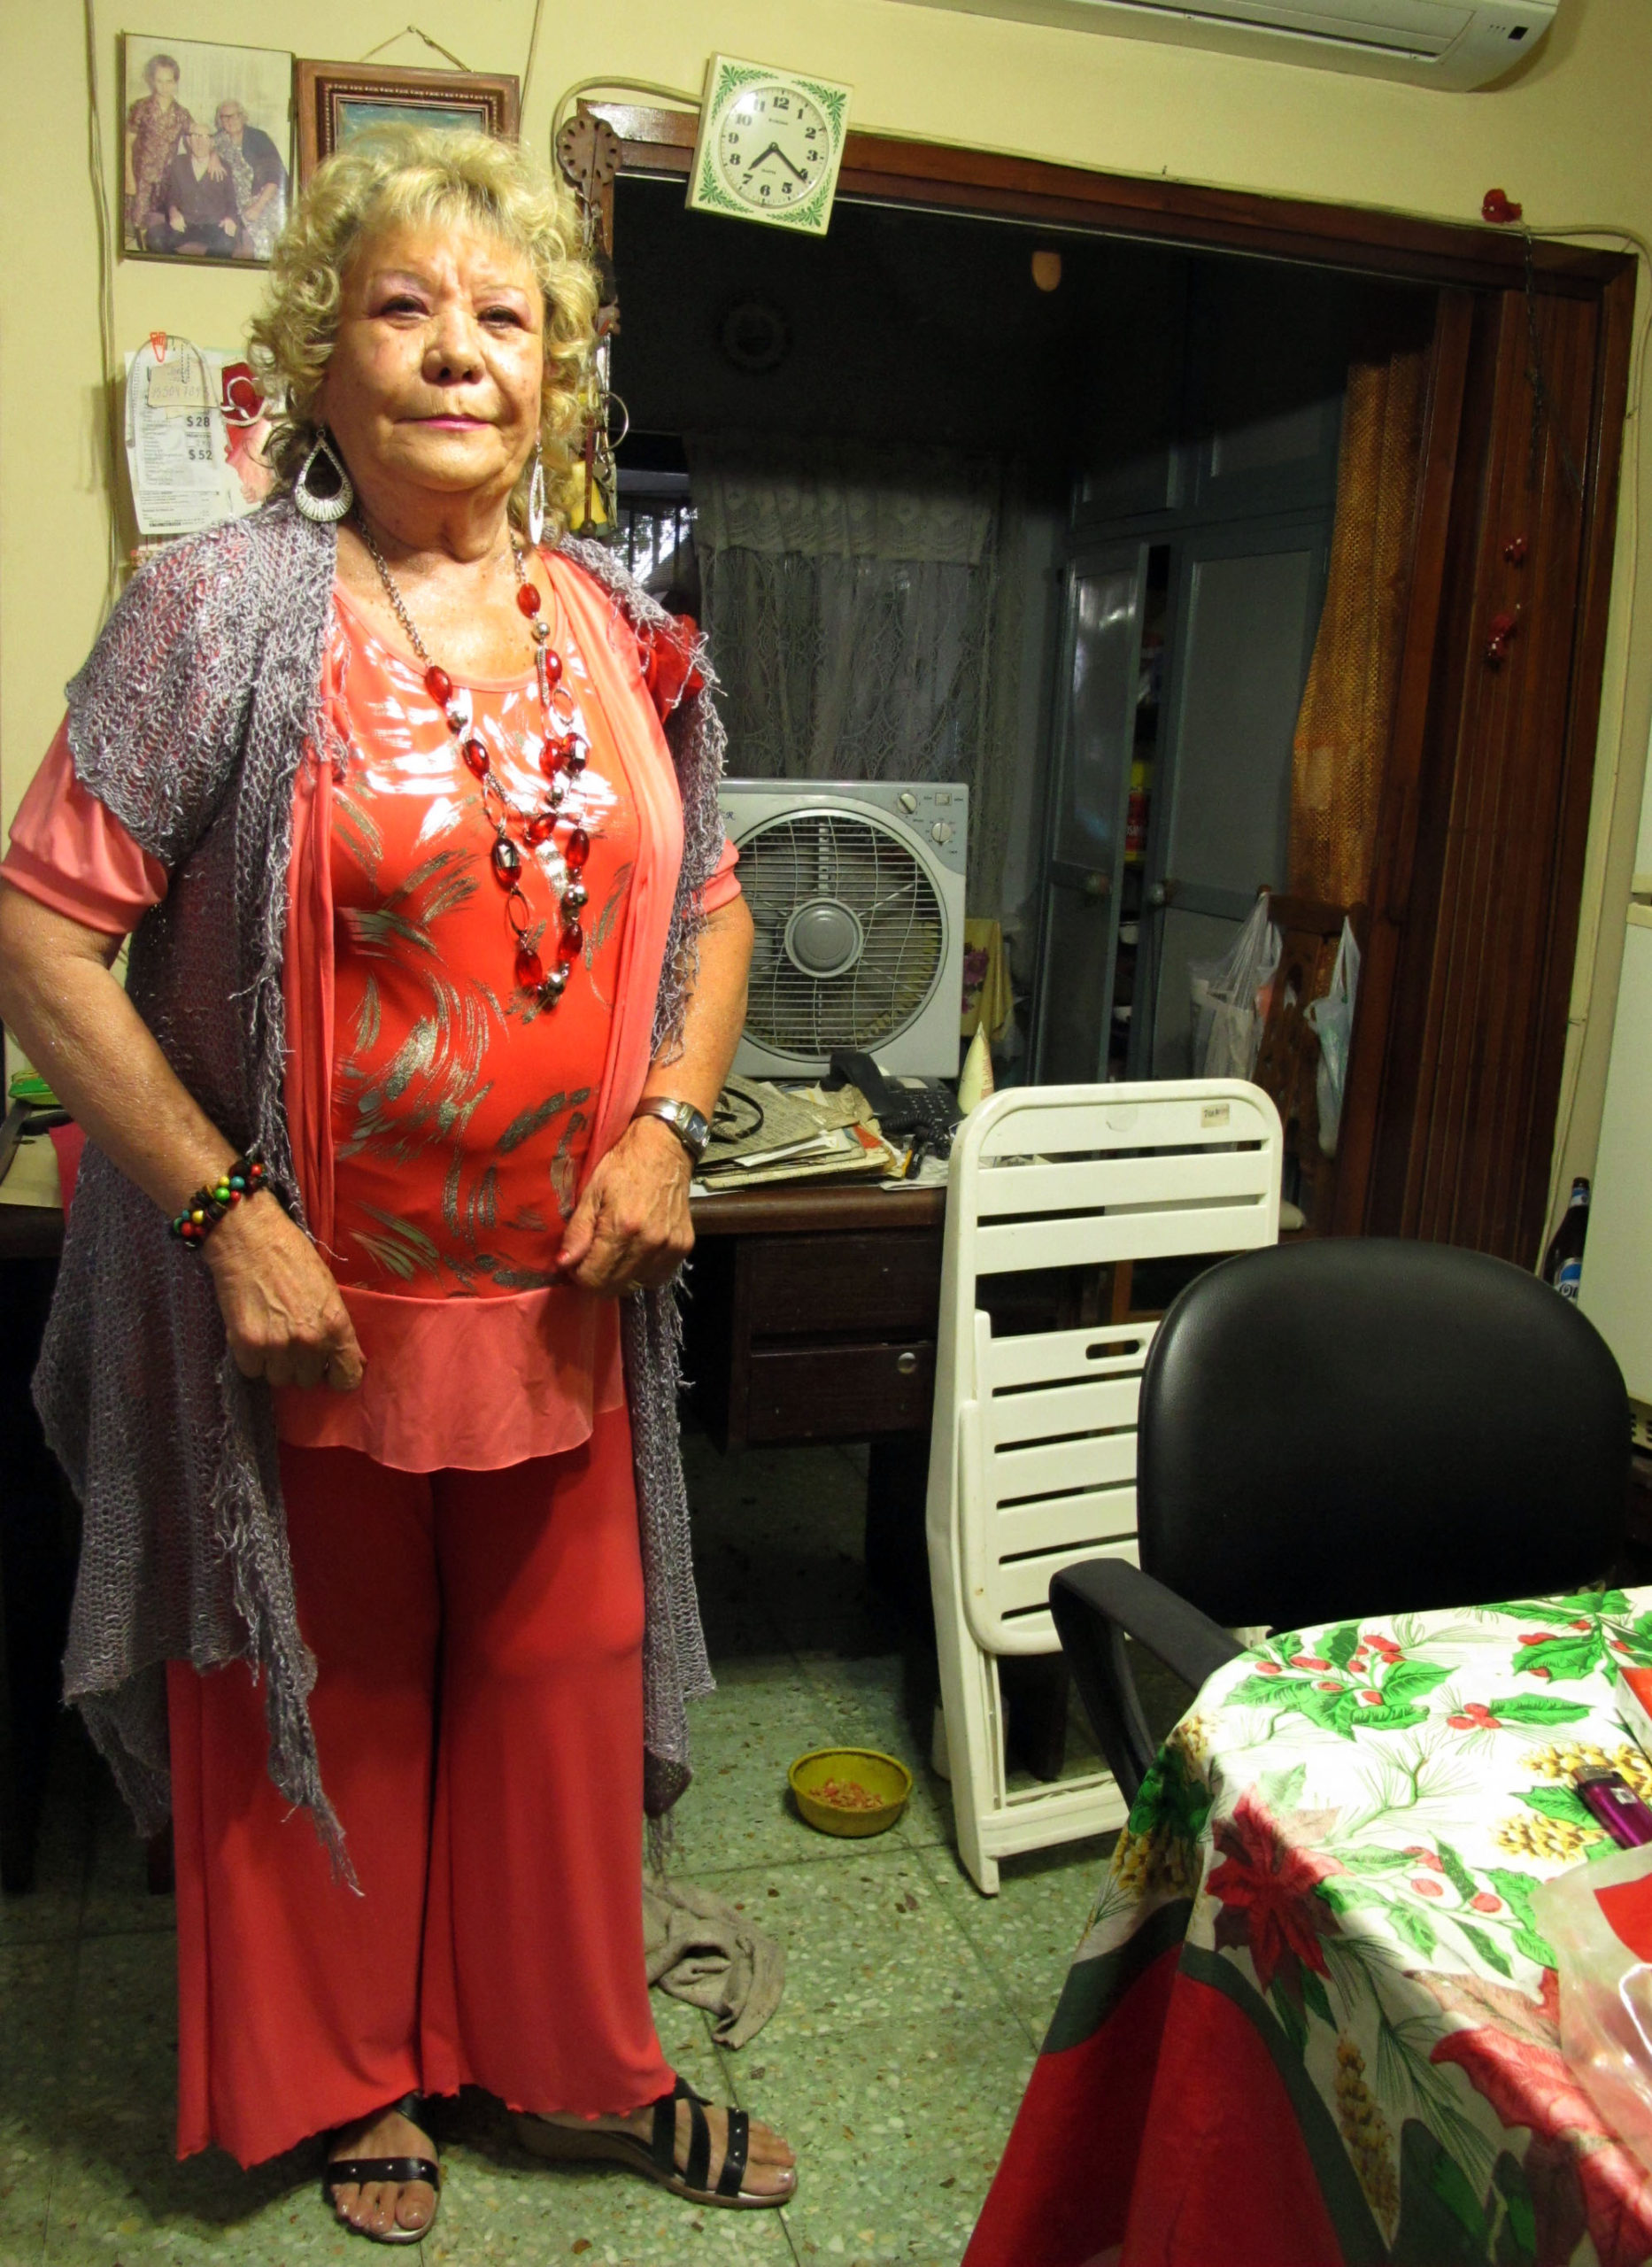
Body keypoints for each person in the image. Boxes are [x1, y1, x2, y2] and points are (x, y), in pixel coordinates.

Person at [0, 126, 795, 2244]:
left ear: (557, 372)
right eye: (404, 307)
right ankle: (352, 2069)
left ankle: (569, 2056)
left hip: (567, 1303)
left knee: (559, 1693)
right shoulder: (214, 613)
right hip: (307, 1318)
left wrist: (669, 1122)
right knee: (317, 1695)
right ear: (320, 362)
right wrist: (223, 1213)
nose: (460, 350)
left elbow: (715, 909)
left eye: (504, 314)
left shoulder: (626, 631)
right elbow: (41, 935)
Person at [124, 51, 193, 250]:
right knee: (140, 225)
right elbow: (126, 143)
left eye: (169, 81)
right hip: (141, 178)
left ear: (176, 81)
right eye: (159, 81)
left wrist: (213, 158)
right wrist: (128, 178)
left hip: (167, 182)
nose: (164, 87)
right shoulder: (140, 107)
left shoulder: (182, 114)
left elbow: (199, 139)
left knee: (162, 228)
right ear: (151, 80)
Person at [213, 98, 288, 259]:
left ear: (243, 116)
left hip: (264, 198)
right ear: (220, 121)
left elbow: (274, 174)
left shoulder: (259, 138)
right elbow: (203, 149)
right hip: (234, 203)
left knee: (268, 238)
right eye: (225, 117)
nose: (230, 121)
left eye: (234, 115)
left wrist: (258, 207)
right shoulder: (218, 141)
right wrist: (213, 157)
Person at [162, 120, 242, 257]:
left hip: (214, 226)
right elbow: (172, 195)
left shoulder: (224, 167)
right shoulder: (178, 163)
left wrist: (230, 218)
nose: (200, 142)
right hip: (186, 224)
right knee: (154, 238)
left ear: (211, 142)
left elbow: (231, 200)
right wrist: (173, 212)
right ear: (188, 140)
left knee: (226, 245)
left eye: (205, 137)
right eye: (196, 136)